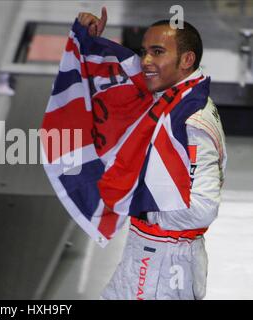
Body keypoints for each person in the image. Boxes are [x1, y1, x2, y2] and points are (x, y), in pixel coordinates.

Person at [77, 7, 227, 300]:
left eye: (157, 52)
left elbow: (203, 207)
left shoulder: (190, 120)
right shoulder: (171, 100)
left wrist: (139, 201)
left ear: (187, 59)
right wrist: (90, 45)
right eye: (143, 51)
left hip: (164, 264)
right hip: (147, 250)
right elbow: (118, 89)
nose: (145, 61)